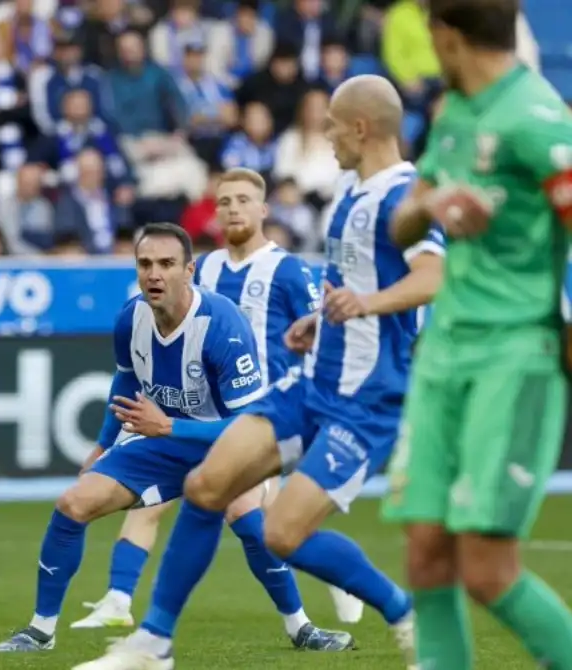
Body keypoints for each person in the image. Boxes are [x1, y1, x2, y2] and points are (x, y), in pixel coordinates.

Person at [74, 75, 444, 670]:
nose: (322, 135)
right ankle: (154, 644)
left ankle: (403, 611)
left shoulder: (406, 195)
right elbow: (353, 285)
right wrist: (321, 321)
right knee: (206, 485)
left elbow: (432, 278)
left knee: (281, 535)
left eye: (330, 124)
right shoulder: (350, 194)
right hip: (311, 382)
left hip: (368, 398)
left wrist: (364, 307)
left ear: (360, 127)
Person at [74, 167, 355, 649]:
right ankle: (118, 602)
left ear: (263, 209)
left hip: (262, 413)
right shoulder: (199, 267)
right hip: (202, 411)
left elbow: (321, 329)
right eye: (224, 201)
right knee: (155, 500)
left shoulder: (286, 269)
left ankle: (324, 584)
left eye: (243, 200)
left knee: (264, 520)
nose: (232, 209)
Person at [382, 0, 572, 667]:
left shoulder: (537, 119)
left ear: (445, 35)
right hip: (443, 355)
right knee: (426, 550)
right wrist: (430, 203)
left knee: (488, 569)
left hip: (512, 357)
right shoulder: (455, 111)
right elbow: (402, 224)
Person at [0, 223, 273, 657]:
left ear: (189, 270)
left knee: (250, 520)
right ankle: (40, 630)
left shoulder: (222, 324)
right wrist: (103, 445)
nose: (154, 274)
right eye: (145, 264)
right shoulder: (131, 317)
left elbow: (249, 425)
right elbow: (126, 379)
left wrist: (170, 427)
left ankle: (301, 625)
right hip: (162, 444)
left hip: (222, 444)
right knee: (72, 504)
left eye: (166, 264)